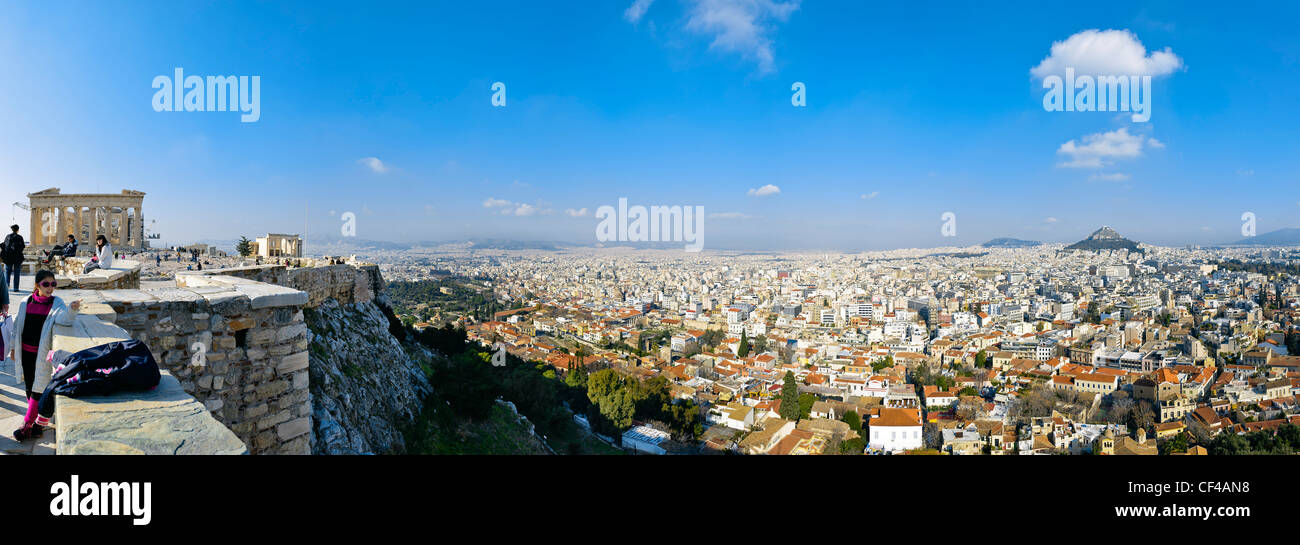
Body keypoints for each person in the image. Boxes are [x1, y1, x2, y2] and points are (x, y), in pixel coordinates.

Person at [10, 269, 80, 441]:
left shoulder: (56, 303)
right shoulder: (25, 302)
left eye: (53, 284)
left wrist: (72, 309)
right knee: (29, 387)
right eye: (46, 284)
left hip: (41, 355)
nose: (50, 288)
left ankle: (27, 424)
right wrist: (13, 348)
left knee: (38, 389)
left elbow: (64, 319)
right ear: (37, 285)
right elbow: (16, 327)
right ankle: (39, 424)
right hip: (25, 353)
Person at [2, 225, 24, 292]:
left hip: (8, 258)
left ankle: (6, 287)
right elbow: (22, 246)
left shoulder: (8, 236)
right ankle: (16, 288)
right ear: (18, 230)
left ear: (12, 230)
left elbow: (4, 246)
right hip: (17, 258)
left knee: (7, 272)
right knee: (17, 273)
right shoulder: (20, 237)